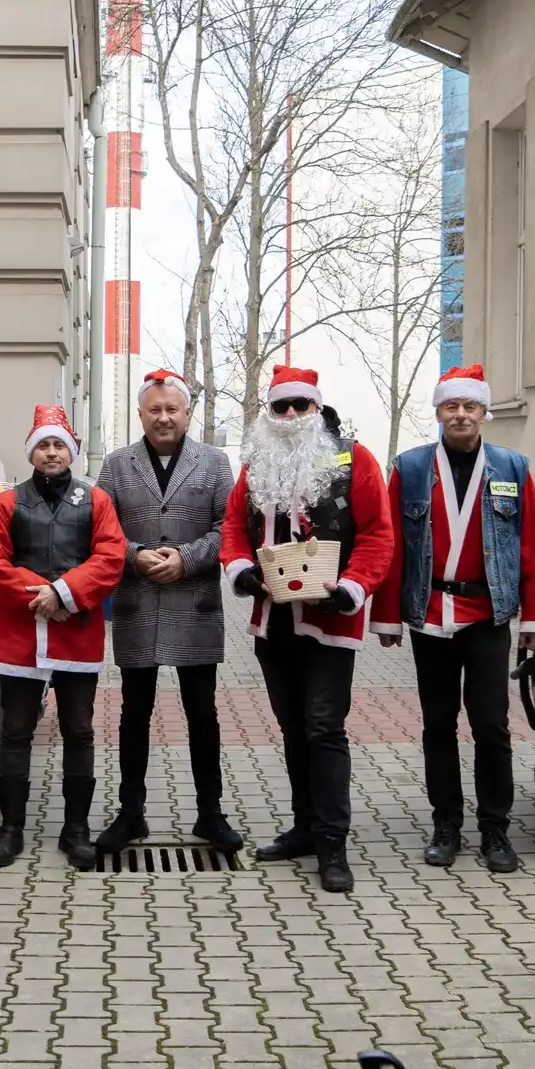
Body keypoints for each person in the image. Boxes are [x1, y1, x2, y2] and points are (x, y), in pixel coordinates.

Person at [372, 365, 535, 874]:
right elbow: (391, 547)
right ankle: (446, 826)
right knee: (438, 726)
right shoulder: (410, 468)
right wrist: (387, 616)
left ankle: (496, 830)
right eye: (451, 406)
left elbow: (533, 547)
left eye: (470, 406)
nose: (460, 415)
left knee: (491, 726)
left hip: (487, 616)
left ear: (484, 412)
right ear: (438, 412)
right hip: (431, 615)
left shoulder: (512, 467)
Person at [220, 364, 393, 894]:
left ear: (317, 409)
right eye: (281, 406)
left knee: (324, 728)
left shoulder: (353, 459)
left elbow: (378, 534)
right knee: (294, 728)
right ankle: (303, 827)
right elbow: (232, 528)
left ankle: (332, 841)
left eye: (301, 405)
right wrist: (241, 570)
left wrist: (355, 587)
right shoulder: (256, 465)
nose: (291, 415)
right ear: (268, 414)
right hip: (274, 622)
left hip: (329, 621)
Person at [93, 369, 240, 856]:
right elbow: (102, 530)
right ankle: (130, 814)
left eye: (172, 409)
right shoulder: (116, 466)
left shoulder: (215, 463)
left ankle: (210, 813)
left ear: (187, 413)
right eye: (154, 409)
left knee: (204, 714)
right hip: (137, 601)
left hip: (194, 602)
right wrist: (134, 554)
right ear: (140, 413)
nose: (163, 417)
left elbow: (230, 528)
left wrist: (189, 557)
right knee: (134, 714)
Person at [0, 406, 127, 869]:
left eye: (59, 444)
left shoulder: (97, 501)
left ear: (73, 451)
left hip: (76, 632)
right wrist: (38, 596)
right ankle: (11, 829)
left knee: (79, 731)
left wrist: (63, 593)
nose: (52, 452)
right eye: (43, 444)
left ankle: (76, 830)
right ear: (31, 452)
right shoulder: (7, 503)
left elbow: (111, 556)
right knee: (16, 730)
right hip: (21, 634)